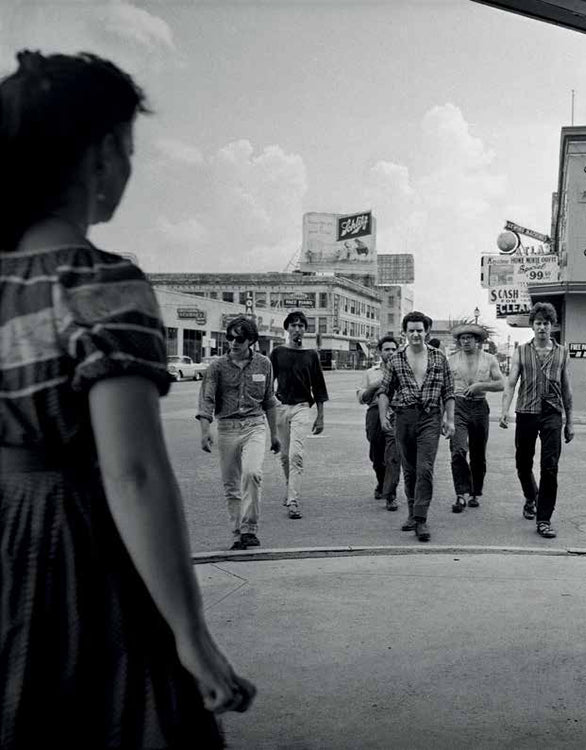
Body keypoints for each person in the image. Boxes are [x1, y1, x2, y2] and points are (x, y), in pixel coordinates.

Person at [0, 51, 253, 749]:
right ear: (103, 155)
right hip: (73, 546)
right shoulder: (99, 284)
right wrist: (192, 633)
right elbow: (133, 473)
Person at [197, 316, 281, 549]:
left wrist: (274, 435)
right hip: (227, 428)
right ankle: (238, 533)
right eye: (230, 337)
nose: (233, 343)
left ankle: (250, 528)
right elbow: (207, 399)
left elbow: (269, 401)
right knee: (231, 485)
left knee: (252, 473)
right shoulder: (217, 367)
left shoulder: (264, 364)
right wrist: (205, 430)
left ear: (251, 341)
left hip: (254, 425)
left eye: (239, 339)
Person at [378, 311, 455, 542]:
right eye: (411, 330)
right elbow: (384, 391)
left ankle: (421, 519)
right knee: (409, 470)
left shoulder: (439, 358)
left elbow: (449, 392)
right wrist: (383, 416)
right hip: (404, 417)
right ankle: (412, 513)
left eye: (419, 330)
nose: (415, 334)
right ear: (404, 332)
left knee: (425, 468)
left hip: (430, 417)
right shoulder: (396, 359)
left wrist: (450, 420)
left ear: (427, 331)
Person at [499, 302, 574, 539]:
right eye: (538, 323)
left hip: (552, 413)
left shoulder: (562, 352)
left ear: (552, 326)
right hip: (526, 411)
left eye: (546, 323)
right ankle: (531, 496)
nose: (542, 327)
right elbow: (511, 382)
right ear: (532, 326)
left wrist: (570, 421)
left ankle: (544, 519)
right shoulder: (521, 351)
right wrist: (504, 410)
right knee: (523, 462)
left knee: (550, 467)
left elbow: (566, 388)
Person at [270, 310, 328, 520]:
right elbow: (268, 382)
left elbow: (319, 386)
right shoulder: (277, 353)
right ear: (287, 328)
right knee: (284, 456)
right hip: (281, 407)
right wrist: (269, 406)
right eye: (293, 325)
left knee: (296, 455)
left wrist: (320, 415)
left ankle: (293, 500)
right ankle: (289, 487)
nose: (297, 329)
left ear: (305, 329)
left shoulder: (311, 355)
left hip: (302, 408)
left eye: (301, 325)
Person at [447, 323, 505, 512]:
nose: (466, 341)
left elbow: (500, 384)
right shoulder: (452, 360)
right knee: (458, 450)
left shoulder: (489, 359)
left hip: (480, 406)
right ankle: (460, 494)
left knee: (478, 454)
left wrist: (480, 386)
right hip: (458, 405)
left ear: (478, 341)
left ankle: (474, 492)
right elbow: (444, 389)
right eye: (462, 338)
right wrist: (444, 417)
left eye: (470, 338)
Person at [356, 335, 401, 511]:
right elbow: (362, 399)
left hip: (396, 412)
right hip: (374, 412)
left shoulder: (404, 371)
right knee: (376, 455)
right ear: (379, 352)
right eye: (386, 349)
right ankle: (382, 482)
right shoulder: (370, 373)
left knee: (393, 455)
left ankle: (391, 494)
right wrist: (376, 385)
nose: (390, 353)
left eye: (393, 349)